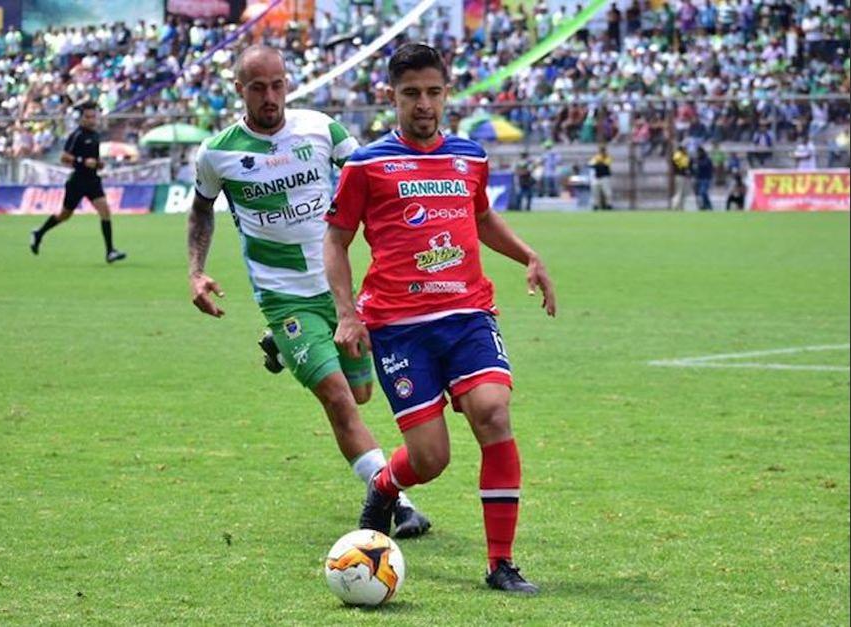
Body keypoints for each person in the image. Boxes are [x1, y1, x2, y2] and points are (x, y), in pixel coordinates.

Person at [324, 43, 557, 594]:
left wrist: (529, 256)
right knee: (430, 459)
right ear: (391, 97)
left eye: (433, 92)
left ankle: (500, 563)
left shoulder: (469, 156)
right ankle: (385, 485)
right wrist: (347, 313)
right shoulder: (365, 164)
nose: (424, 104)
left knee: (494, 414)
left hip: (468, 313)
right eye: (411, 94)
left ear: (446, 92)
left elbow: (480, 218)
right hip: (400, 327)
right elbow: (336, 241)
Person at [186, 45, 431, 539]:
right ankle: (397, 501)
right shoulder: (218, 152)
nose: (270, 96)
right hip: (283, 296)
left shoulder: (322, 129)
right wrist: (197, 271)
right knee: (339, 399)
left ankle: (284, 345)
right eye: (258, 87)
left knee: (361, 393)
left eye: (277, 85)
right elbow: (201, 210)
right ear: (240, 89)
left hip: (338, 291)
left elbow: (373, 174)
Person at [29, 102, 126, 263]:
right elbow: (64, 157)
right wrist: (82, 161)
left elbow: (93, 158)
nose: (92, 120)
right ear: (81, 119)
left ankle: (110, 251)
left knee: (105, 211)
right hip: (77, 181)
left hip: (93, 179)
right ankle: (39, 233)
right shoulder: (77, 135)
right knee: (64, 215)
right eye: (88, 117)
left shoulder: (95, 135)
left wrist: (98, 163)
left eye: (93, 116)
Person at [588, 144, 613, 210]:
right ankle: (596, 205)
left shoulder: (607, 157)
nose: (602, 152)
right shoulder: (596, 157)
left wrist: (598, 162)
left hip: (605, 177)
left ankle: (609, 205)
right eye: (601, 150)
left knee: (607, 193)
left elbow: (606, 164)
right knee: (595, 193)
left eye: (603, 150)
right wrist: (598, 161)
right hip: (597, 177)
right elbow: (591, 164)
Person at [670, 145, 693, 210]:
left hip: (680, 175)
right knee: (679, 192)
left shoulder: (679, 155)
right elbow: (684, 166)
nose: (686, 150)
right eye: (685, 149)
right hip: (680, 176)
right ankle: (675, 206)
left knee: (683, 193)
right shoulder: (679, 156)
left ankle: (680, 207)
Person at [694, 146, 714, 211]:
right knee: (700, 193)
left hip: (706, 178)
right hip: (699, 178)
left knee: (703, 192)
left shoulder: (707, 159)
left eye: (699, 152)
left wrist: (698, 163)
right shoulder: (697, 159)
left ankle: (708, 205)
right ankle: (705, 206)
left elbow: (707, 166)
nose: (698, 154)